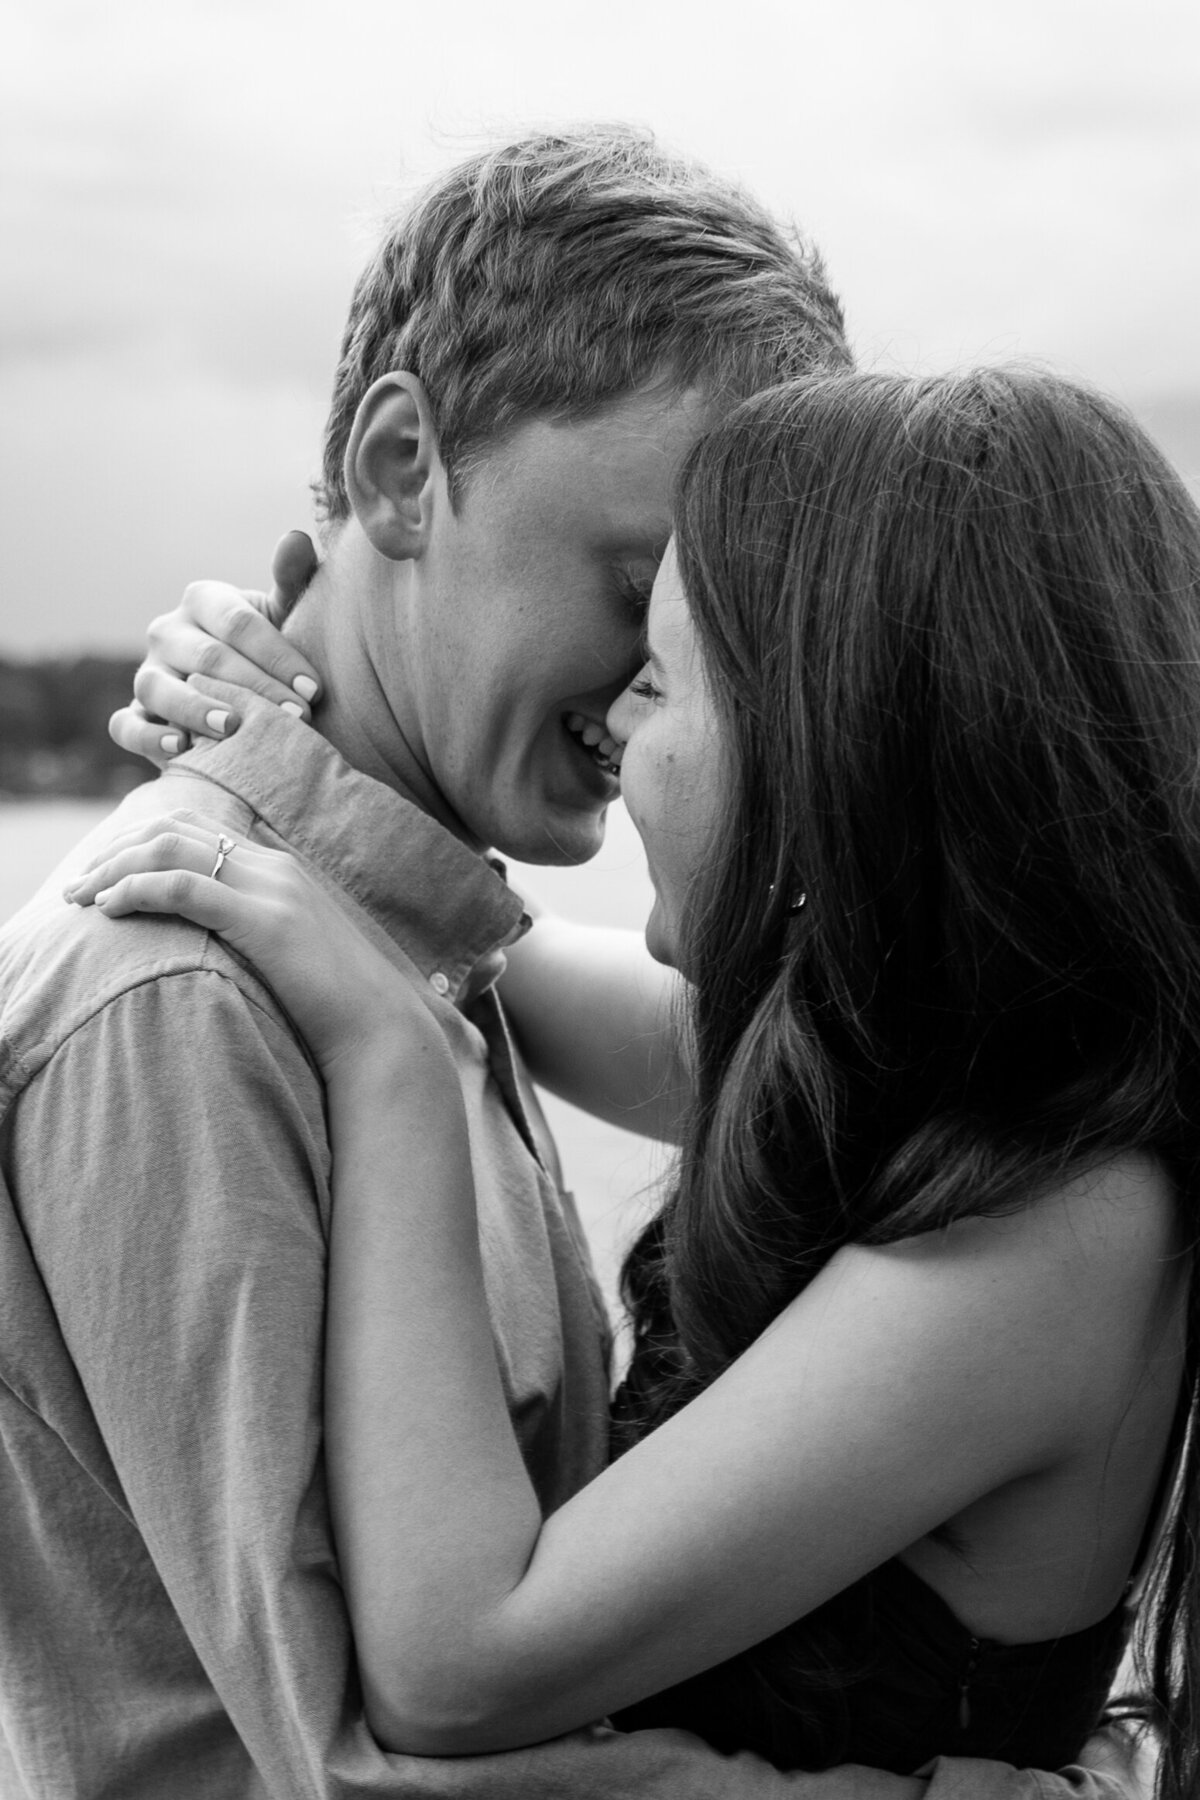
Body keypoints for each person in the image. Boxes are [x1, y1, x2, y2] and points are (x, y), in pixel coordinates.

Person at [0, 122, 1065, 1800]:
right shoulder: (189, 1004)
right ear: (404, 466)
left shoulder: (412, 957)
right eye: (640, 592)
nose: (658, 699)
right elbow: (357, 1762)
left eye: (713, 646)